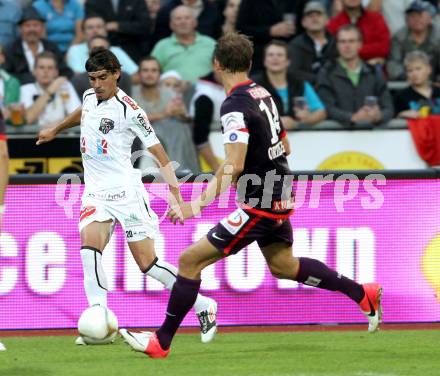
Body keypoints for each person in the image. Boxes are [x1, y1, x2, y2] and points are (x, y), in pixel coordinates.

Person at [120, 32, 383, 358]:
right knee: (283, 266)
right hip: (280, 193)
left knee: (189, 260)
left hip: (259, 202)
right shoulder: (264, 94)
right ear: (249, 62)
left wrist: (196, 204)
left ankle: (161, 341)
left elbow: (233, 165)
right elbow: (285, 146)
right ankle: (361, 293)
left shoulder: (233, 107)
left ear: (216, 64)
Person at [35, 47, 217, 344]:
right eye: (92, 78)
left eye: (102, 78)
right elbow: (83, 112)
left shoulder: (130, 109)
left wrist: (177, 195)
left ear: (116, 74)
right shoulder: (89, 97)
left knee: (148, 265)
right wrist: (55, 128)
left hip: (127, 194)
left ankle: (203, 305)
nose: (96, 84)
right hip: (95, 192)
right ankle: (99, 319)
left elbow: (158, 152)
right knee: (88, 249)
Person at [132, 56, 200, 173]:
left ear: (159, 74)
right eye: (145, 70)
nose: (149, 74)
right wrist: (165, 114)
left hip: (167, 136)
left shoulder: (169, 93)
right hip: (139, 137)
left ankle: (181, 169)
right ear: (139, 74)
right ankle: (175, 170)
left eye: (154, 70)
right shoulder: (131, 93)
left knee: (180, 126)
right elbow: (133, 120)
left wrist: (182, 113)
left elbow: (185, 118)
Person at [317, 25, 394, 128]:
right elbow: (326, 107)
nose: (347, 46)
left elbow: (388, 108)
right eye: (343, 42)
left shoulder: (374, 72)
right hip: (336, 137)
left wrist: (378, 116)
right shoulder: (326, 72)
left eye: (351, 41)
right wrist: (352, 117)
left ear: (360, 44)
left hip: (371, 137)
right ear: (337, 45)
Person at [253, 40, 326, 130]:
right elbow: (242, 114)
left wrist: (308, 119)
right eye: (270, 55)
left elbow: (321, 111)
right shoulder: (252, 85)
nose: (275, 58)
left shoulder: (300, 83)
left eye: (280, 55)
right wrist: (274, 122)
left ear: (288, 61)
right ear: (264, 61)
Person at [3, 6, 73, 85]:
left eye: (36, 25)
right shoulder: (11, 49)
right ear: (20, 29)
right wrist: (34, 79)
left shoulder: (51, 47)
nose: (32, 29)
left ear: (42, 28)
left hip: (50, 89)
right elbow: (6, 75)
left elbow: (66, 71)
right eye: (27, 25)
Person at [151, 5, 216, 83]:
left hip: (207, 92)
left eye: (187, 18)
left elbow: (222, 71)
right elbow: (151, 71)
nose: (183, 22)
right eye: (178, 19)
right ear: (171, 25)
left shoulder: (211, 44)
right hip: (173, 93)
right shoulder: (161, 46)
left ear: (195, 22)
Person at [20, 51, 81, 128]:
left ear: (56, 72)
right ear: (34, 71)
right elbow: (27, 119)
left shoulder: (65, 86)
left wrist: (59, 125)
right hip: (32, 137)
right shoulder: (25, 89)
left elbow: (78, 116)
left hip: (61, 135)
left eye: (50, 68)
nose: (46, 71)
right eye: (41, 67)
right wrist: (50, 91)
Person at [66, 16, 138, 77]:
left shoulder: (116, 50)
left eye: (99, 27)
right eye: (90, 28)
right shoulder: (75, 50)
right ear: (84, 33)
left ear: (106, 31)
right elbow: (77, 76)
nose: (95, 30)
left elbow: (135, 76)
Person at [387, 1, 440, 82]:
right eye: (412, 16)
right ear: (406, 19)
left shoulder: (438, 36)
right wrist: (411, 77)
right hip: (406, 82)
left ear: (429, 18)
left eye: (420, 15)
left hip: (434, 83)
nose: (416, 19)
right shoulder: (399, 37)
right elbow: (393, 63)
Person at [287, 1, 338, 85]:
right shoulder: (295, 45)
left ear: (327, 20)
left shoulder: (336, 43)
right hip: (305, 90)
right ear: (303, 22)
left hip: (334, 89)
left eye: (319, 15)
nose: (315, 18)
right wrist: (320, 79)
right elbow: (293, 72)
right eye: (310, 16)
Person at [327, 0, 390, 66]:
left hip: (373, 68)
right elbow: (333, 50)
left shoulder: (376, 18)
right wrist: (364, 52)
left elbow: (384, 47)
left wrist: (349, 50)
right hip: (342, 69)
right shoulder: (334, 23)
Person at [395, 51, 440, 118]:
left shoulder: (438, 91)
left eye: (418, 69)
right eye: (410, 70)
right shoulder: (401, 96)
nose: (414, 74)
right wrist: (402, 114)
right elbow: (394, 117)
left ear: (429, 70)